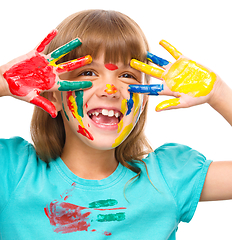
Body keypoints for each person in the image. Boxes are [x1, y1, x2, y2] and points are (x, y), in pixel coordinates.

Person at [0, 9, 231, 240]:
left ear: (145, 97)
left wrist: (218, 93)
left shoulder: (167, 178)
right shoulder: (13, 172)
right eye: (88, 72)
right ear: (52, 95)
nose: (110, 90)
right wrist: (3, 81)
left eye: (127, 75)